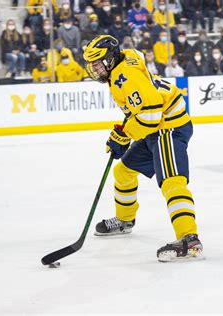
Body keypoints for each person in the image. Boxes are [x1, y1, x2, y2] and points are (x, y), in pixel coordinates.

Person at [83, 35, 203, 261]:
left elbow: (152, 113)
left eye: (98, 62)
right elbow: (143, 109)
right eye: (92, 64)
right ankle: (125, 220)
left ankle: (190, 239)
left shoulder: (125, 75)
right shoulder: (126, 57)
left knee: (172, 181)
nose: (95, 68)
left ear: (110, 59)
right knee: (123, 172)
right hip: (153, 127)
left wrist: (125, 135)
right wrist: (124, 132)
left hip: (167, 127)